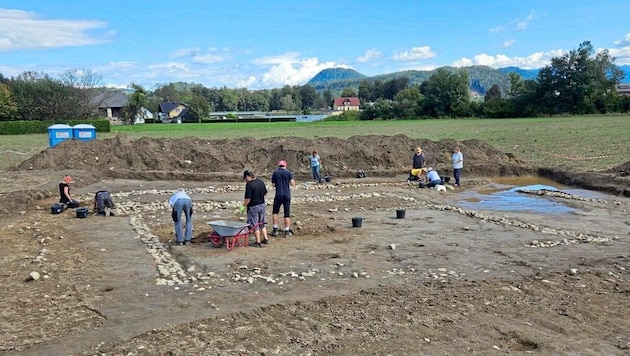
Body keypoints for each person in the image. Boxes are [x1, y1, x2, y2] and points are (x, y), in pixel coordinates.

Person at [242, 170, 269, 247]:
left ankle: (258, 242)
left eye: (245, 178)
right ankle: (266, 238)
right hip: (262, 205)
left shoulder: (249, 185)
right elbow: (265, 193)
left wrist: (243, 206)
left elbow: (248, 199)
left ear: (248, 176)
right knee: (262, 222)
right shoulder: (261, 182)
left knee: (255, 224)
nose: (245, 180)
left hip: (253, 207)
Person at [270, 160, 296, 237]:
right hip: (287, 195)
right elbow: (293, 183)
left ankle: (275, 230)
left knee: (275, 212)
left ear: (279, 166)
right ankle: (287, 231)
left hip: (278, 194)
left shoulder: (275, 173)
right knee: (287, 213)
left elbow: (273, 184)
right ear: (285, 166)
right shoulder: (288, 173)